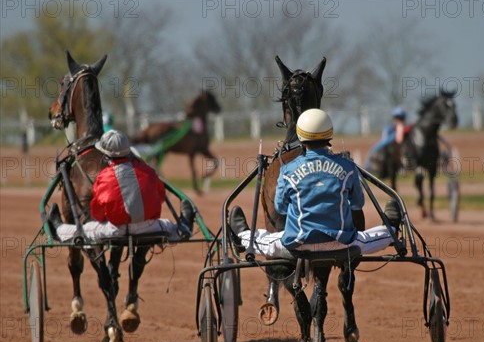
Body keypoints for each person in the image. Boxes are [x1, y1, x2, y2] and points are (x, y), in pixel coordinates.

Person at [229, 109, 400, 258]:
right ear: (329, 133)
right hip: (342, 243)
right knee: (380, 236)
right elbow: (357, 203)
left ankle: (242, 235)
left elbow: (281, 208)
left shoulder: (287, 170)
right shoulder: (348, 167)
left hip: (297, 244)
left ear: (301, 135)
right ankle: (392, 228)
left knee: (260, 240)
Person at [46, 130, 193, 242]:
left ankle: (58, 229)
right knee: (170, 226)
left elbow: (97, 212)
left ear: (105, 155)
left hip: (116, 230)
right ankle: (184, 227)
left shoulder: (104, 177)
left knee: (83, 230)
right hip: (148, 227)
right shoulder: (148, 171)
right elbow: (160, 196)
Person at [365, 107, 410, 171]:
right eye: (397, 118)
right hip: (387, 147)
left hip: (402, 149)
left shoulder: (406, 130)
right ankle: (368, 168)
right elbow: (384, 141)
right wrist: (395, 135)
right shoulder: (389, 129)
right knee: (372, 150)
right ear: (394, 118)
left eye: (401, 118)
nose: (399, 120)